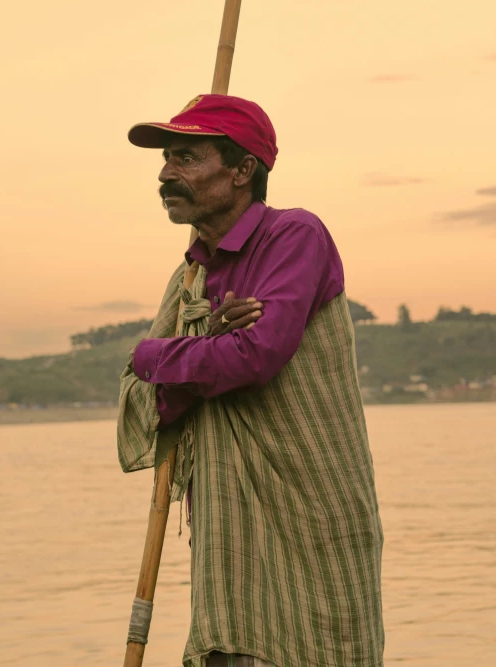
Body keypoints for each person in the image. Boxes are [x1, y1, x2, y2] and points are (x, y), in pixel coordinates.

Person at [118, 94, 384, 667]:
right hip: (231, 535)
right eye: (166, 160)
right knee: (229, 653)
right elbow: (145, 403)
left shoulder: (295, 237)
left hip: (313, 520)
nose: (166, 173)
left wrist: (162, 354)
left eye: (186, 157)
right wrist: (200, 346)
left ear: (242, 171)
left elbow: (258, 358)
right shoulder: (189, 277)